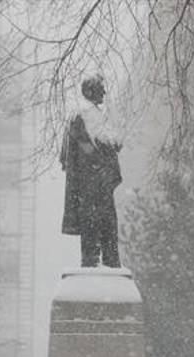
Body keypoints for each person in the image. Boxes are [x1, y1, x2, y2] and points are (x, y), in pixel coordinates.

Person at [60, 74, 123, 268]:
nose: (104, 92)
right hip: (97, 184)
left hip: (86, 186)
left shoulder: (76, 116)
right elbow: (113, 143)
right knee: (106, 226)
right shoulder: (89, 115)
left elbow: (65, 157)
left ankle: (92, 261)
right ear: (90, 91)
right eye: (100, 88)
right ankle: (107, 263)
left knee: (91, 226)